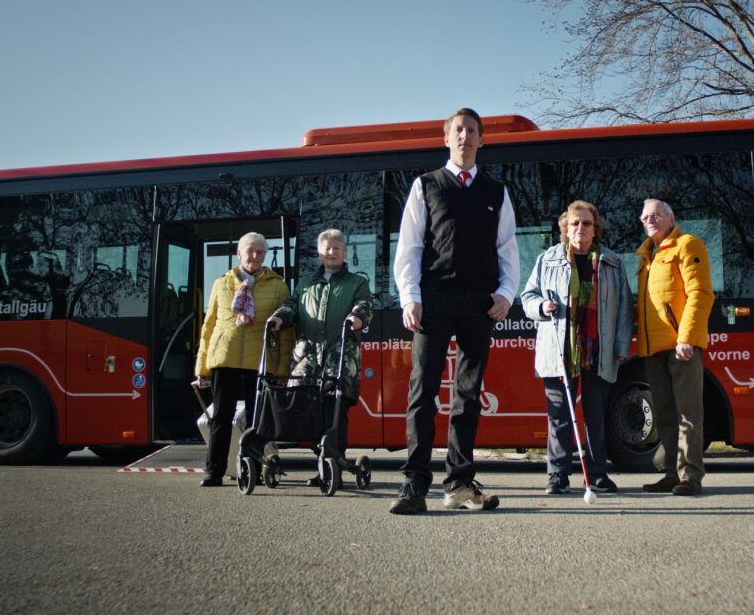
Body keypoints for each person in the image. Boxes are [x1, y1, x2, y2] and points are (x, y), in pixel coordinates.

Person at [389, 107, 520, 515]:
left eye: (472, 131)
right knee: (422, 391)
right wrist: (410, 297)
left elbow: (508, 250)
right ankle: (415, 484)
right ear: (446, 138)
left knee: (468, 394)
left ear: (482, 140)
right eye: (458, 130)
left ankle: (459, 484)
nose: (464, 136)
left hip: (480, 304)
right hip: (434, 300)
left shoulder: (497, 192)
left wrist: (506, 293)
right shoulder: (425, 186)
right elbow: (408, 248)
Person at [520, 200, 633, 495]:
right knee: (558, 414)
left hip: (598, 348)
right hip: (559, 348)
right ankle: (557, 476)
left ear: (595, 229)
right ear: (565, 229)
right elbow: (528, 295)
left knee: (596, 414)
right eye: (574, 223)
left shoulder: (612, 261)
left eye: (586, 223)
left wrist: (621, 346)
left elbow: (624, 309)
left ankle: (596, 475)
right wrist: (541, 306)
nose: (580, 228)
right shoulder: (548, 260)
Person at [267, 229, 373, 485]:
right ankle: (322, 465)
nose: (332, 252)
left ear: (345, 252)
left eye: (337, 248)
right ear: (319, 252)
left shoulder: (357, 282)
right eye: (327, 248)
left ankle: (334, 461)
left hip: (340, 356)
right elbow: (292, 306)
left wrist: (357, 317)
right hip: (309, 358)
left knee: (335, 410)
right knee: (311, 411)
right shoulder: (305, 283)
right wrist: (279, 318)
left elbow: (365, 304)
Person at [195, 232, 293, 487]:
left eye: (260, 252)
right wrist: (202, 367)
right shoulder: (220, 284)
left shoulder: (278, 286)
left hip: (260, 361)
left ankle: (255, 471)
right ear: (239, 254)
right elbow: (209, 326)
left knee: (257, 419)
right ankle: (214, 471)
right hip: (223, 358)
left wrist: (282, 370)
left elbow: (286, 335)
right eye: (250, 251)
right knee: (220, 417)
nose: (255, 256)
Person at [634, 199, 715, 496]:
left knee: (688, 414)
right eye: (646, 217)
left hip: (680, 347)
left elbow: (701, 294)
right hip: (652, 349)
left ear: (671, 218)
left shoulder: (687, 245)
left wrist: (687, 338)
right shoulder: (645, 256)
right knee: (665, 414)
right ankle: (671, 473)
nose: (650, 220)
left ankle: (690, 476)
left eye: (657, 215)